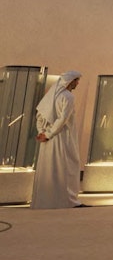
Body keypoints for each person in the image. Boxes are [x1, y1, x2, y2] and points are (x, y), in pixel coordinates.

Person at [31, 71, 84, 209]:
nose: (77, 83)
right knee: (65, 167)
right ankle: (66, 200)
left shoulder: (50, 97)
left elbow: (40, 117)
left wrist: (42, 132)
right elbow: (63, 119)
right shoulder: (68, 97)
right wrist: (49, 134)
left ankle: (47, 200)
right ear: (70, 81)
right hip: (61, 138)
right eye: (76, 80)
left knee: (49, 168)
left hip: (47, 139)